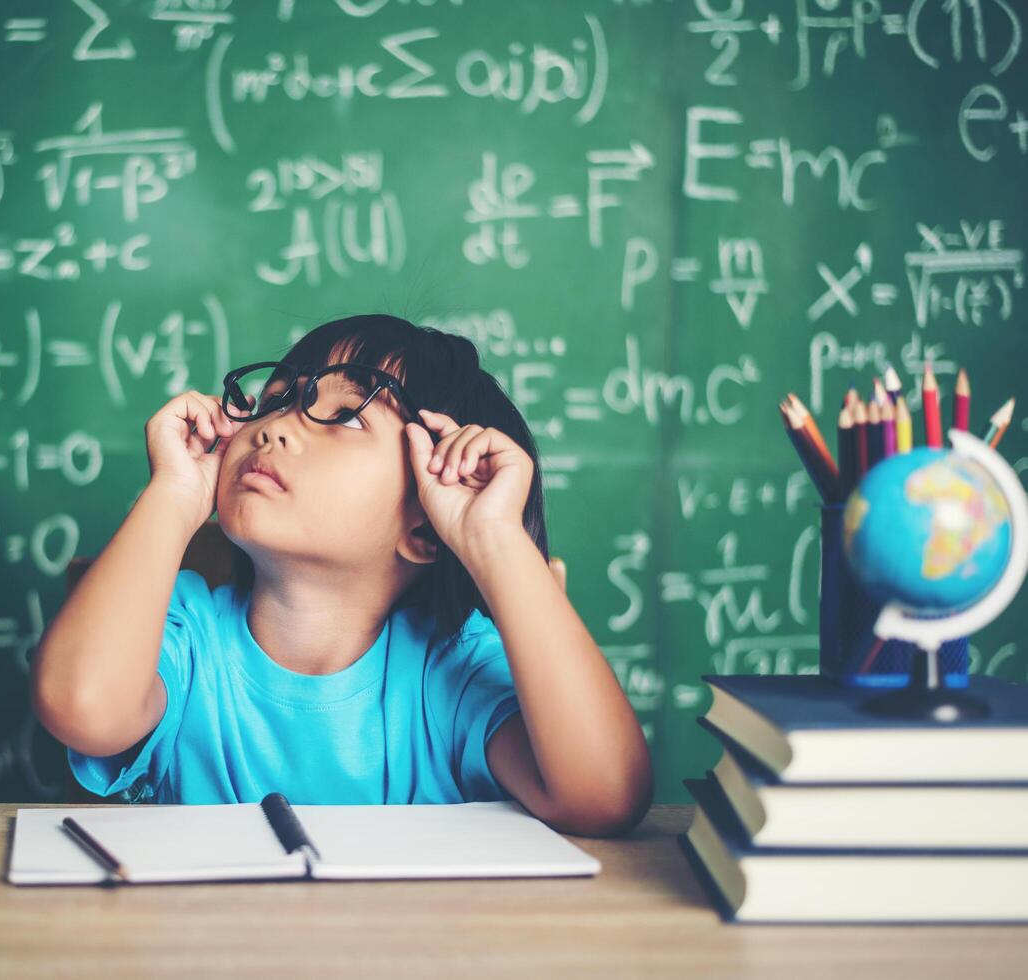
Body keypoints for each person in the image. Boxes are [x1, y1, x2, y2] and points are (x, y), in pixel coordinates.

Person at [33, 314, 652, 836]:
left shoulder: (455, 676)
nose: (273, 425)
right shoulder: (184, 637)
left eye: (348, 415)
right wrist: (174, 492)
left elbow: (605, 795)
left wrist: (491, 535)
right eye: (275, 400)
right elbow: (82, 706)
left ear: (424, 524)